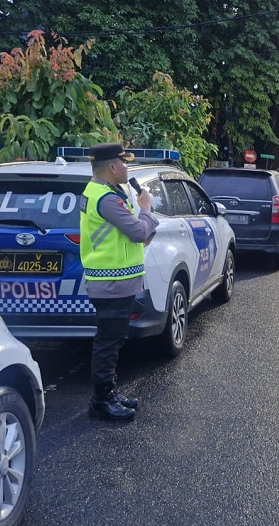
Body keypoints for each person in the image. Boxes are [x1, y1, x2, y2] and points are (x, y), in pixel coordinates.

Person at [79, 143, 159, 422]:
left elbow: (136, 234)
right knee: (108, 341)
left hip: (116, 280)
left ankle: (109, 393)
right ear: (113, 167)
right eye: (124, 163)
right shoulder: (107, 199)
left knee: (112, 339)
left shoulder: (106, 192)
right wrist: (146, 209)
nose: (128, 168)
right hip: (111, 281)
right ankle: (101, 400)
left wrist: (144, 226)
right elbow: (139, 231)